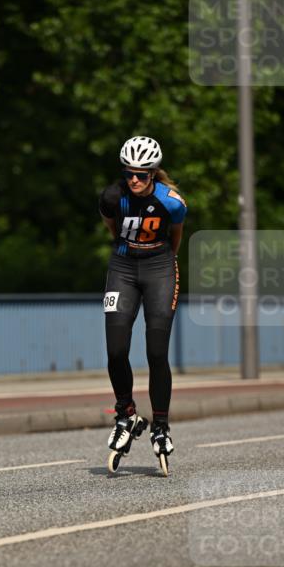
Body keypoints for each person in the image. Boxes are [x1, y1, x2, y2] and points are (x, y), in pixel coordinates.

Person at [99, 135, 187, 469]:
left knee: (156, 352)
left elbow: (175, 237)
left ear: (153, 173)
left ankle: (161, 428)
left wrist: (160, 262)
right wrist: (130, 254)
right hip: (122, 267)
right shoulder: (112, 197)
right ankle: (126, 415)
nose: (134, 179)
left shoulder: (173, 202)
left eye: (142, 174)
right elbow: (112, 229)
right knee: (116, 350)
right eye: (129, 173)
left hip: (160, 267)